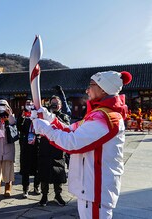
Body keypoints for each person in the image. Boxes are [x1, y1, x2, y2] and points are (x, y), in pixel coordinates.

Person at [32, 71, 132, 218]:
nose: (87, 90)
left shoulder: (108, 119)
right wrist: (48, 117)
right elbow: (69, 129)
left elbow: (72, 143)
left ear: (103, 88)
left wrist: (44, 128)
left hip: (97, 189)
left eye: (90, 86)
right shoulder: (98, 114)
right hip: (90, 187)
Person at [36, 96, 70, 206]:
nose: (54, 105)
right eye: (52, 103)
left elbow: (66, 127)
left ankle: (58, 194)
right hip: (45, 147)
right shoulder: (45, 116)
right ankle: (44, 195)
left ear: (60, 105)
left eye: (56, 104)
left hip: (58, 148)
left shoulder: (63, 116)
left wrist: (53, 117)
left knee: (58, 172)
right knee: (44, 172)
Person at [17, 100, 40, 198]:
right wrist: (22, 117)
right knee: (25, 168)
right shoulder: (23, 115)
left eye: (31, 104)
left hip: (36, 144)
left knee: (37, 168)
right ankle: (25, 189)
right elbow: (19, 127)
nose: (29, 106)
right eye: (27, 104)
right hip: (26, 145)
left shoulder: (37, 115)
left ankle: (36, 186)